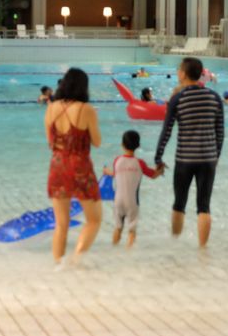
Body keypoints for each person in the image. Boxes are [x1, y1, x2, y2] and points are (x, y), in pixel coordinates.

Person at [155, 57, 224, 248]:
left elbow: (167, 130)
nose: (177, 72)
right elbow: (220, 132)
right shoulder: (214, 97)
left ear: (183, 73)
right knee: (204, 206)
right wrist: (215, 156)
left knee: (179, 203)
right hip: (208, 159)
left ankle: (174, 245)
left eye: (179, 69)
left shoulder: (178, 98)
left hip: (185, 159)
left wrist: (158, 157)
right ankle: (203, 251)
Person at [45, 68, 102, 265]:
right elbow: (97, 141)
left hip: (58, 165)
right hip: (80, 167)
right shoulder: (86, 109)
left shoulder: (51, 107)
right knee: (94, 220)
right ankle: (76, 259)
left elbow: (50, 142)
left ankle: (59, 267)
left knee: (61, 224)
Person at [102, 130, 161, 248]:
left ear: (122, 144)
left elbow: (116, 174)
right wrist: (160, 169)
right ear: (138, 146)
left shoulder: (117, 161)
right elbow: (153, 175)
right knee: (131, 231)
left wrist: (106, 171)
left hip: (118, 200)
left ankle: (113, 252)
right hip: (132, 202)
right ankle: (128, 255)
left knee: (118, 228)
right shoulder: (140, 163)